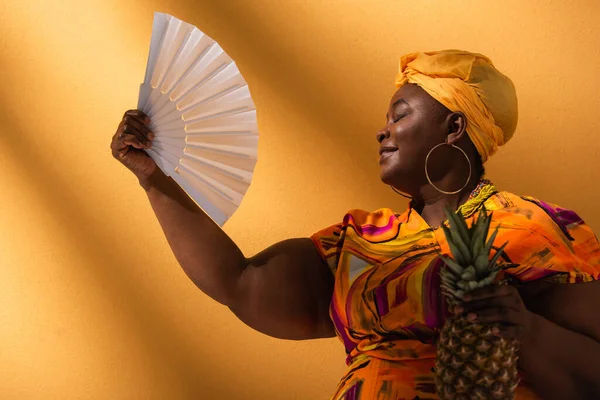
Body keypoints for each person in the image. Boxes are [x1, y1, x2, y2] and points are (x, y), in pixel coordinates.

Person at [110, 50, 600, 399]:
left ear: (454, 127)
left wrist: (525, 330)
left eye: (401, 115)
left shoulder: (535, 229)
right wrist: (155, 179)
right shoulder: (361, 239)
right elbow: (239, 282)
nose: (382, 129)